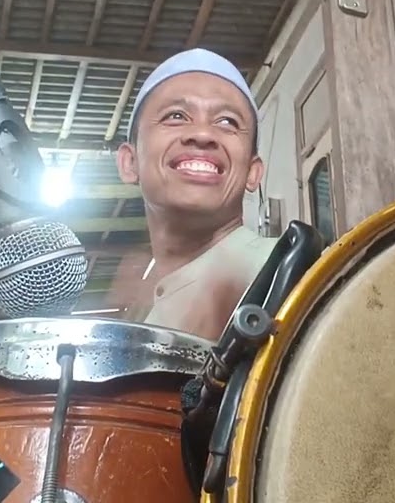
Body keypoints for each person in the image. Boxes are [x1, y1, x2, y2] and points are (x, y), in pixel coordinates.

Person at [115, 48, 276, 341]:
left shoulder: (297, 271)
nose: (202, 134)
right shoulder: (143, 327)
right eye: (176, 116)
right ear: (130, 162)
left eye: (227, 122)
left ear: (253, 173)